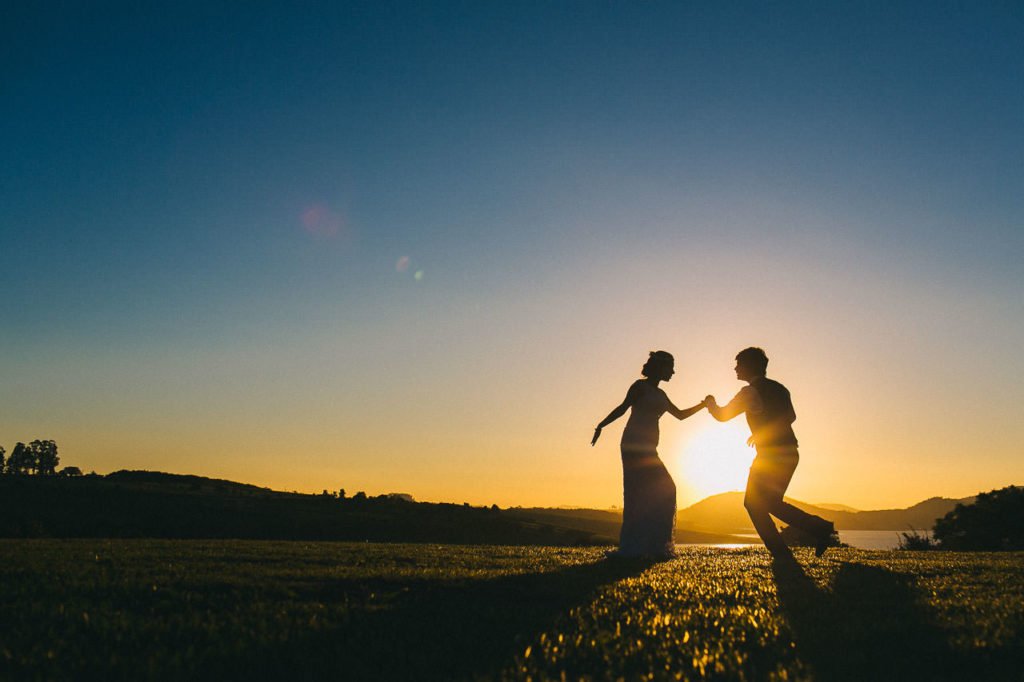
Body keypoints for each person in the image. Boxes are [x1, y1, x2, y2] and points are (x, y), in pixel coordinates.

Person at [705, 347, 835, 558]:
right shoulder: (781, 388)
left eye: (739, 363)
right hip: (790, 453)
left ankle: (783, 550)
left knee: (753, 503)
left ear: (750, 366)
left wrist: (710, 403)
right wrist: (763, 433)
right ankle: (818, 529)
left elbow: (722, 416)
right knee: (770, 503)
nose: (735, 368)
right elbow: (790, 417)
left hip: (770, 456)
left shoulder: (749, 392)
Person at [592, 351, 706, 558]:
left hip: (650, 447)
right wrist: (601, 425)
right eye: (670, 367)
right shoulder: (639, 387)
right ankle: (634, 547)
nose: (673, 372)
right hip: (634, 445)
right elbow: (623, 408)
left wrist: (703, 405)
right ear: (659, 368)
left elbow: (680, 415)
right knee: (639, 494)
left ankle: (657, 546)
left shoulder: (661, 395)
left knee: (665, 491)